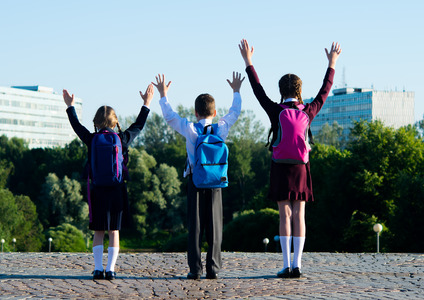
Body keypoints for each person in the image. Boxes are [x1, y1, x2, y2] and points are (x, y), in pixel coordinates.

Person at [239, 39, 341, 278]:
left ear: (281, 91)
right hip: (301, 167)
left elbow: (258, 90)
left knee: (284, 214)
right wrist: (332, 63)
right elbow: (325, 90)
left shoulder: (276, 111)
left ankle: (285, 265)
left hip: (280, 166)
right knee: (300, 214)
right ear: (299, 91)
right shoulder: (308, 110)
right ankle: (298, 265)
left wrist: (248, 61)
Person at [153, 72, 244, 279]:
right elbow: (235, 112)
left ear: (195, 112)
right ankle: (213, 268)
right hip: (216, 183)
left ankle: (195, 269)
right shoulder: (221, 127)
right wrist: (236, 91)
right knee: (215, 226)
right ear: (215, 112)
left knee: (195, 227)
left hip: (195, 180)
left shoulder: (190, 128)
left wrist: (163, 94)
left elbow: (170, 117)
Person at [63, 84, 154, 280]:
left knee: (98, 230)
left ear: (96, 122)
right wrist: (146, 103)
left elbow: (77, 127)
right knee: (114, 231)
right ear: (115, 122)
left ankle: (97, 269)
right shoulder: (121, 139)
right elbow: (138, 125)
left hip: (97, 190)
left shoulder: (92, 138)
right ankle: (111, 270)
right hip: (116, 190)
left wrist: (70, 107)